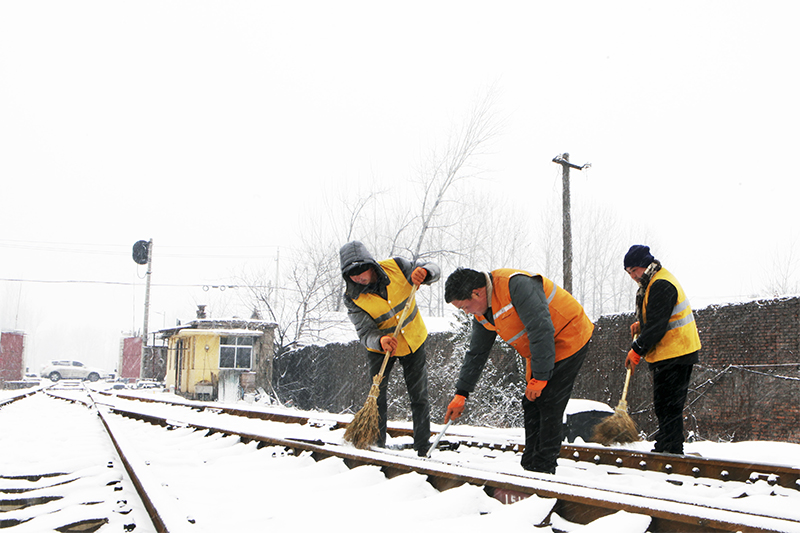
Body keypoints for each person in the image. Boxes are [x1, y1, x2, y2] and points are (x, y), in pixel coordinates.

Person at [443, 267, 594, 474]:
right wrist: (461, 393)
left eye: (465, 307)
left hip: (569, 334)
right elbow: (476, 353)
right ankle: (530, 464)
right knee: (531, 401)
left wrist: (541, 377)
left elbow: (541, 328)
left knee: (549, 401)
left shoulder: (516, 285)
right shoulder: (483, 313)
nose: (466, 312)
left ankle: (543, 469)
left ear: (477, 293)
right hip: (541, 349)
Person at [339, 240, 440, 456]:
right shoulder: (352, 297)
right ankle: (377, 445)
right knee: (377, 397)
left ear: (370, 264)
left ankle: (423, 446)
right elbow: (365, 332)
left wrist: (424, 272)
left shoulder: (397, 266)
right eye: (351, 274)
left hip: (414, 340)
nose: (358, 277)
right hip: (382, 348)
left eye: (360, 269)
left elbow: (434, 268)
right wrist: (380, 340)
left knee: (419, 395)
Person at [623, 245, 701, 455]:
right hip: (672, 351)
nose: (633, 276)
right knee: (664, 403)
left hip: (677, 352)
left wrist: (637, 349)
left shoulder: (660, 284)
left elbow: (658, 326)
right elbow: (659, 317)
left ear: (645, 265)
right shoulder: (652, 282)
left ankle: (671, 448)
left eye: (634, 270)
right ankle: (667, 444)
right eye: (629, 273)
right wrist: (642, 325)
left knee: (669, 404)